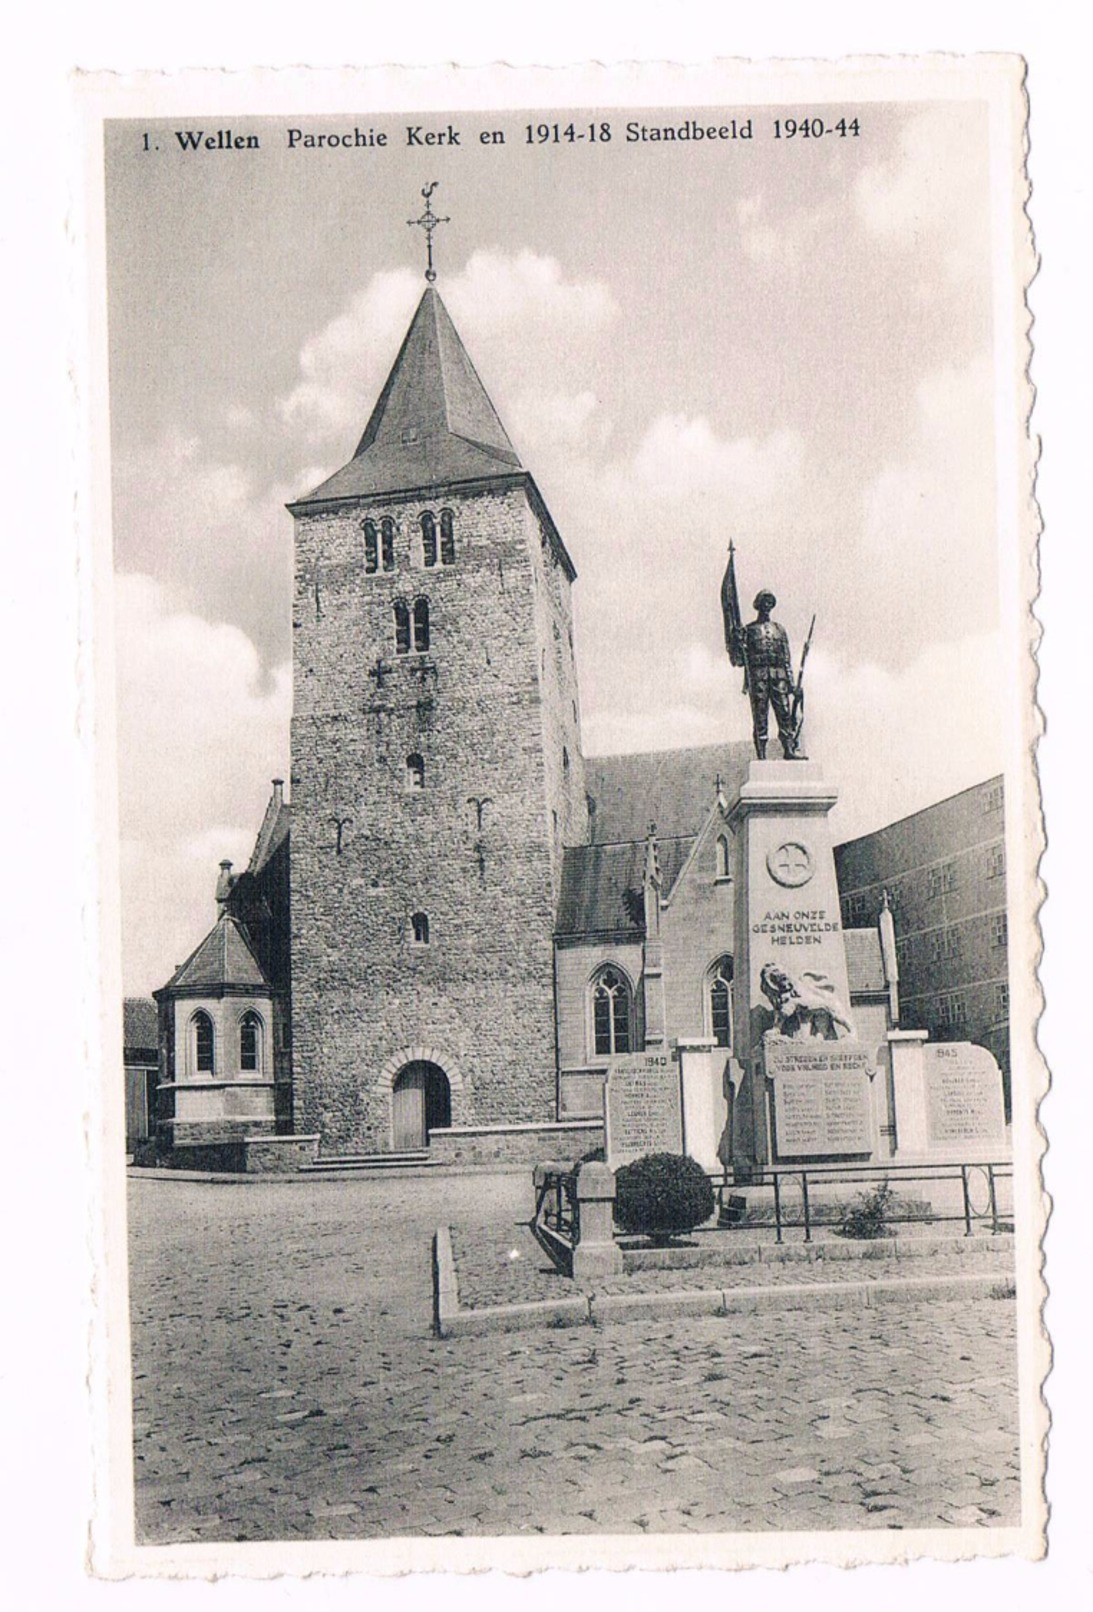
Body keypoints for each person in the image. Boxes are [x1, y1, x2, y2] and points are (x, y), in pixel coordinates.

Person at [743, 591, 802, 759]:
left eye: (770, 603)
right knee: (760, 715)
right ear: (758, 605)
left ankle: (789, 749)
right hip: (759, 677)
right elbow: (739, 660)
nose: (767, 606)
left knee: (784, 712)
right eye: (764, 602)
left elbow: (786, 658)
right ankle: (761, 753)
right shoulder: (749, 630)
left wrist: (791, 685)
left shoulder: (779, 630)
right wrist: (737, 641)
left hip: (779, 676)